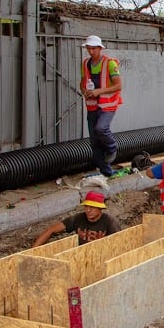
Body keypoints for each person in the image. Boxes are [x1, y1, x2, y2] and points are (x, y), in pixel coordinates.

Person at [81, 35, 122, 176]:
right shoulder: (86, 63)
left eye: (93, 48)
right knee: (94, 141)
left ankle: (112, 149)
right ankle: (106, 172)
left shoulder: (110, 63)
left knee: (101, 128)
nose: (91, 51)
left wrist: (99, 91)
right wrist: (84, 91)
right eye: (89, 48)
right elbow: (83, 81)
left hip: (107, 105)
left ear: (100, 48)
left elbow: (118, 85)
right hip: (92, 105)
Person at [32, 191, 120, 247]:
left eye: (92, 207)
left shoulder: (109, 222)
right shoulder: (78, 218)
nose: (88, 210)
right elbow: (51, 230)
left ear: (100, 209)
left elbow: (119, 242)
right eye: (86, 207)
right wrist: (33, 250)